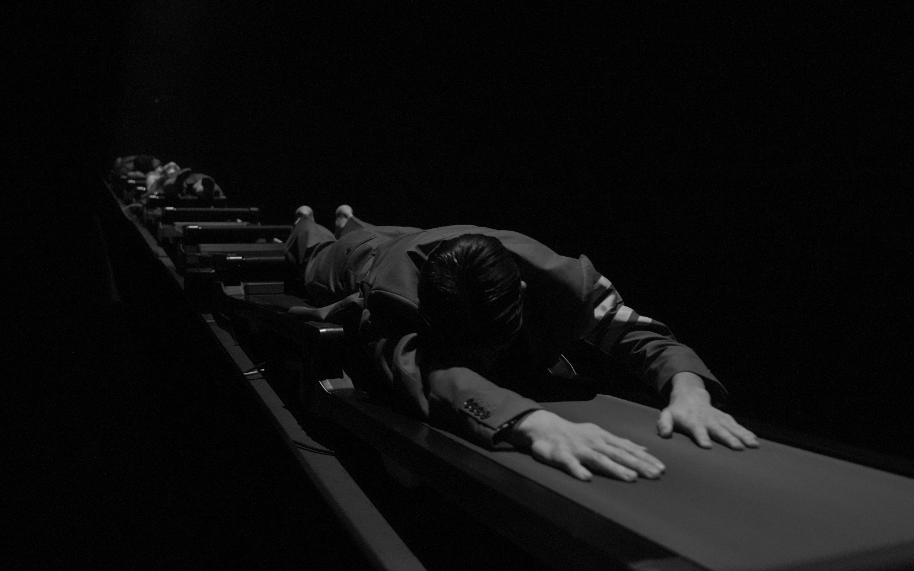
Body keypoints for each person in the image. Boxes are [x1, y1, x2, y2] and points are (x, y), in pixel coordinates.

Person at [284, 205, 758, 483]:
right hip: (366, 258)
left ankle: (349, 217)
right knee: (316, 255)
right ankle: (312, 221)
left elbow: (640, 335)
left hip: (430, 240)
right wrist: (533, 423)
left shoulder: (567, 284)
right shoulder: (393, 298)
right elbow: (424, 371)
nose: (486, 360)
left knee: (373, 228)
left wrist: (688, 389)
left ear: (523, 293)